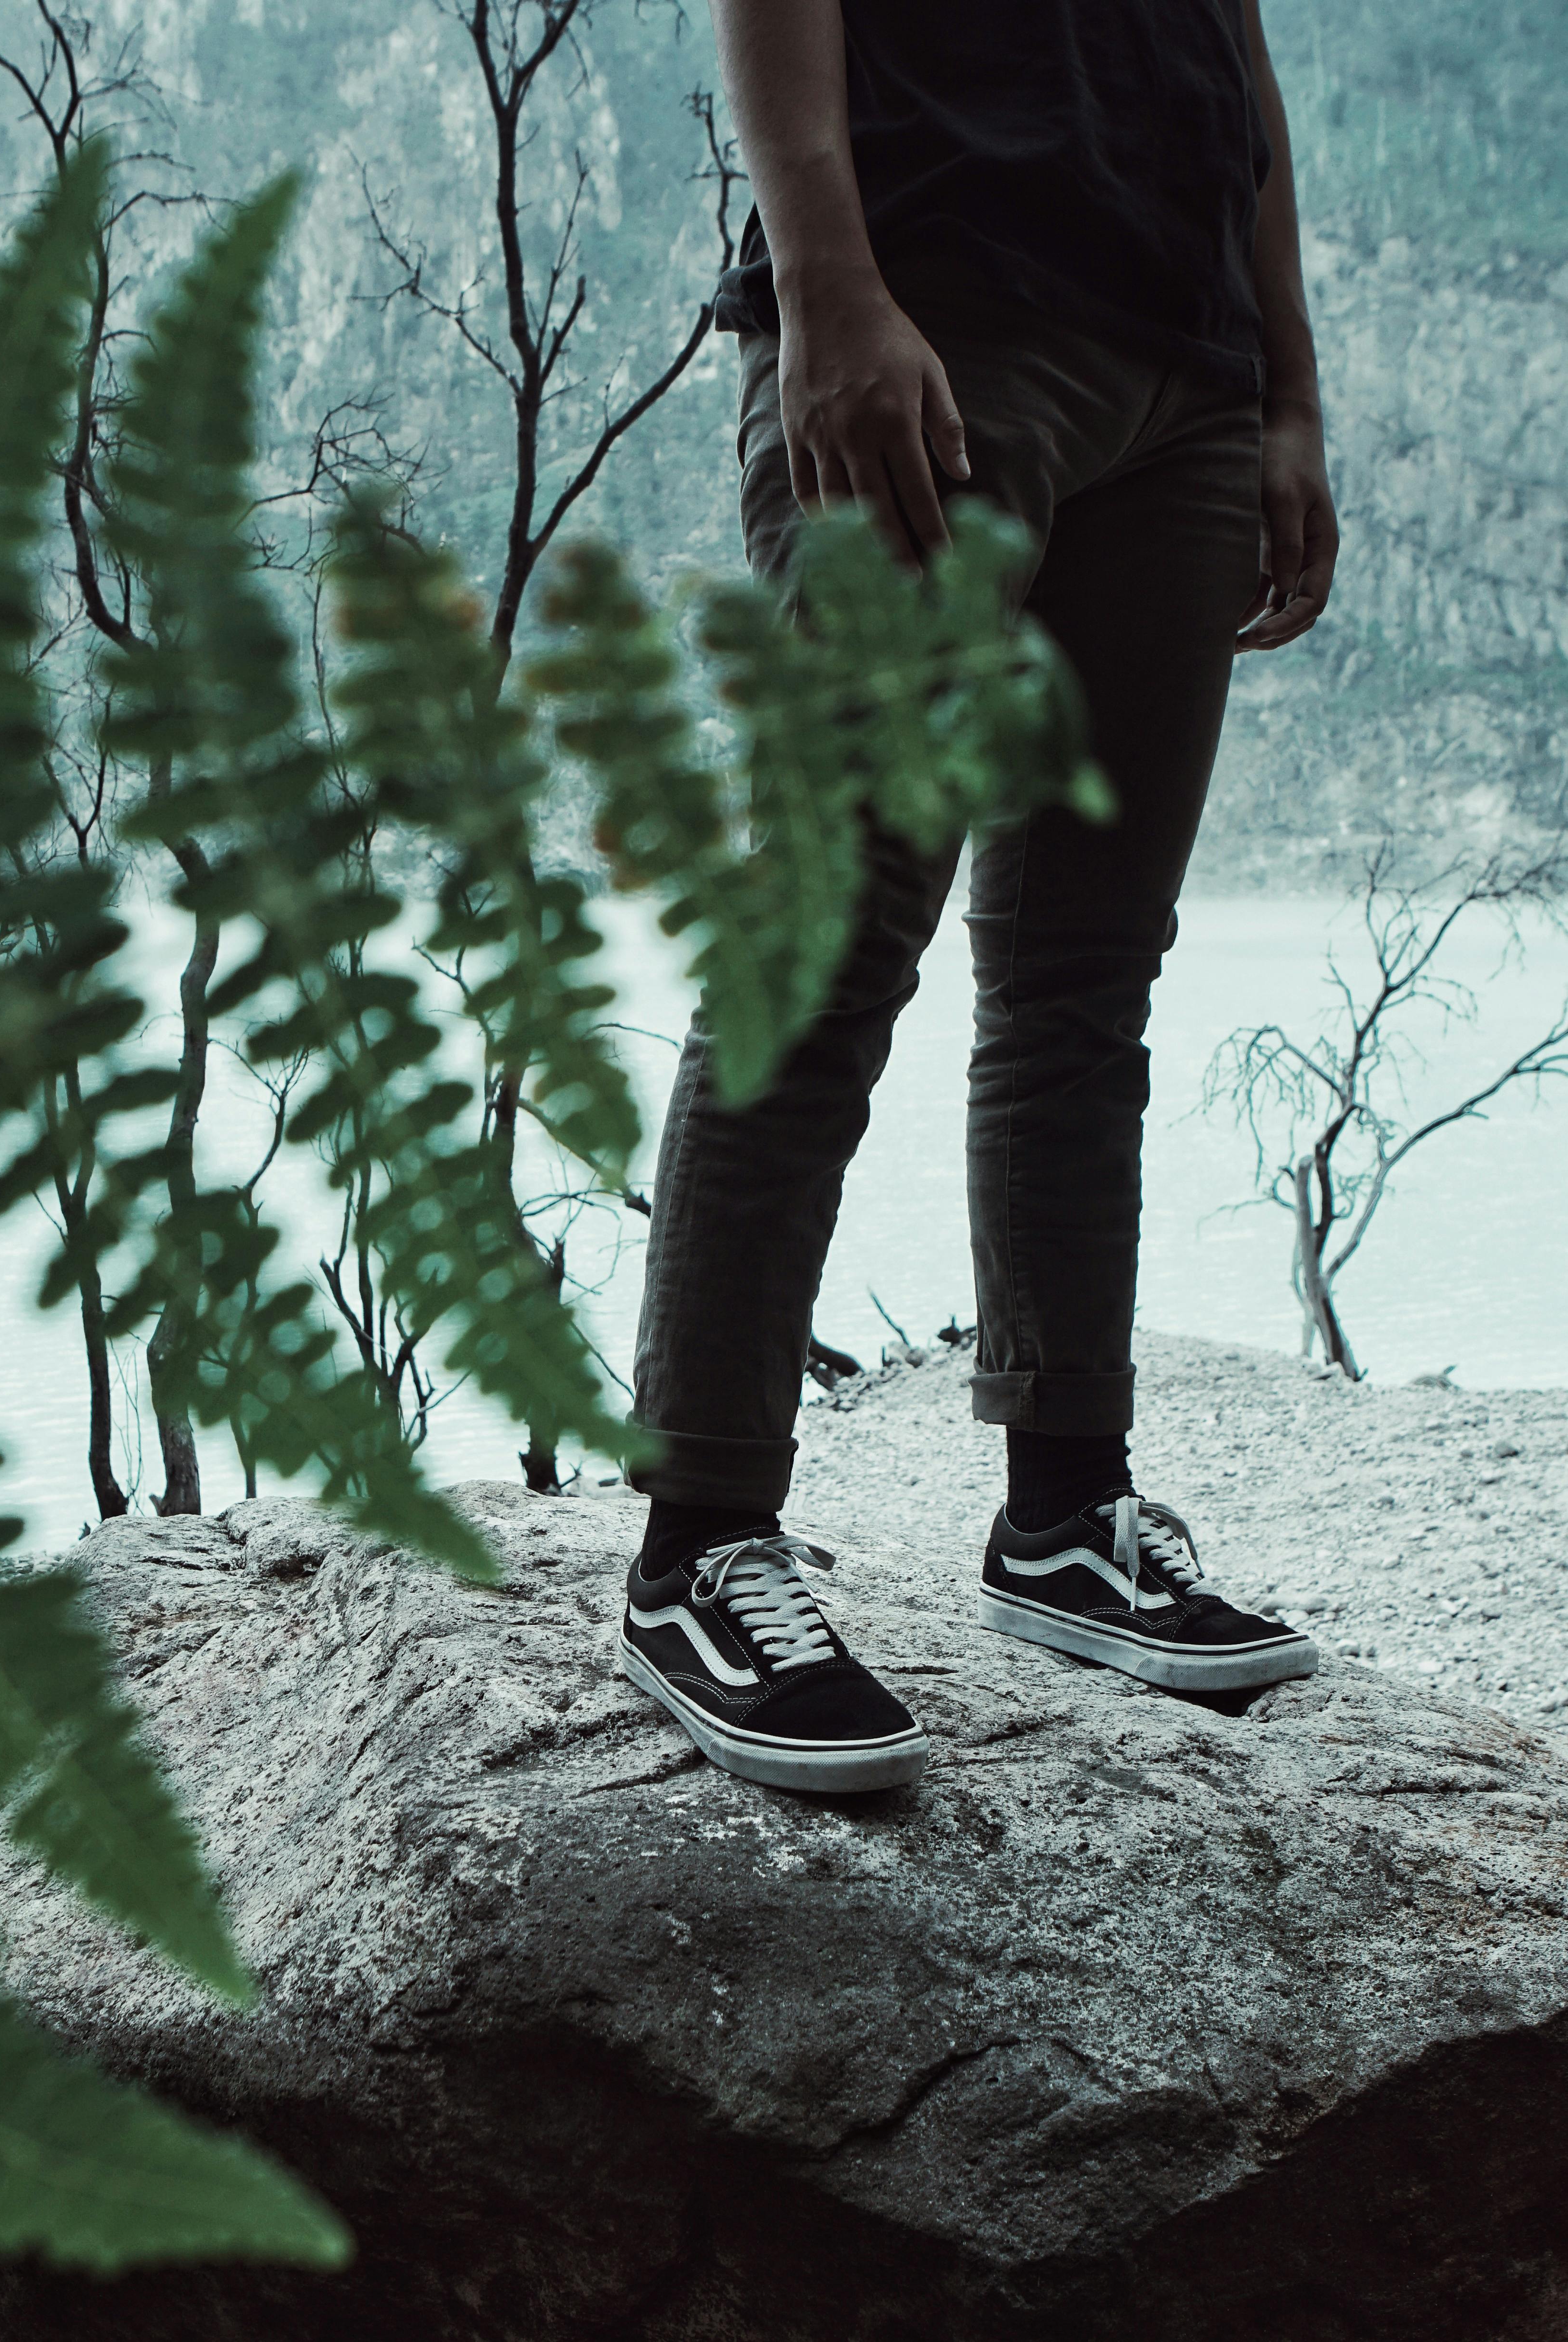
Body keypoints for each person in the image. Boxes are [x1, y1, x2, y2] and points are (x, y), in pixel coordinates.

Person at [617, 0, 1339, 1792]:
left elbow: (1233, 51)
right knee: (833, 930)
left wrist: (1288, 388)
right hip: (940, 315)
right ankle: (699, 1541)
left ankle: (1064, 1515)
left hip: (1185, 367)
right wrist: (831, 287)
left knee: (1086, 984)